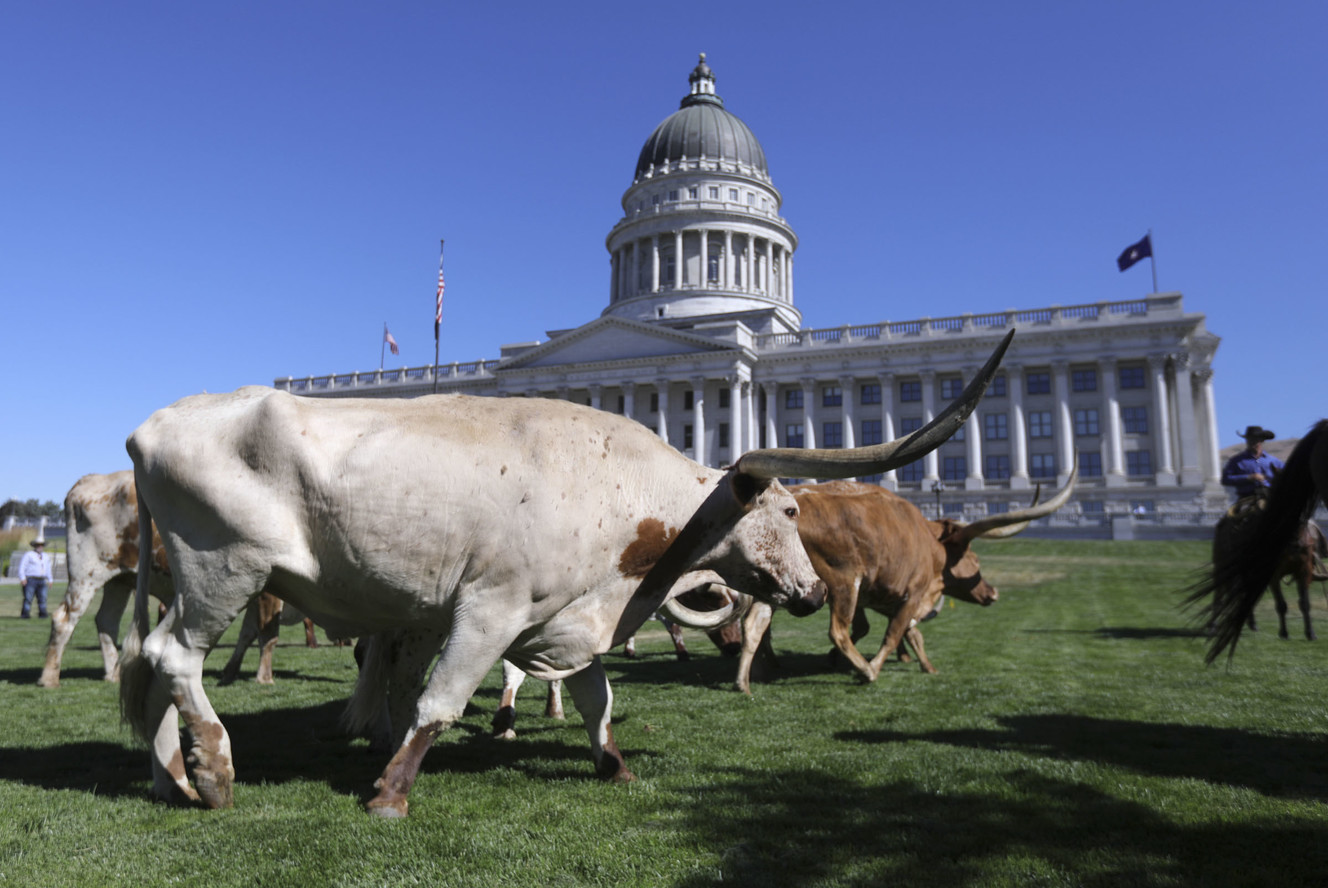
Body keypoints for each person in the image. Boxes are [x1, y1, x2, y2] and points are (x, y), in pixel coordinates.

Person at [1221, 425, 1284, 500]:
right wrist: (1249, 477)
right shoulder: (1236, 461)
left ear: (1262, 440)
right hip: (1247, 497)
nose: (1252, 442)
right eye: (1249, 439)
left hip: (1271, 497)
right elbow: (1226, 479)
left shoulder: (1274, 461)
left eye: (1255, 439)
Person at [17, 536, 54, 619]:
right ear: (34, 546)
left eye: (41, 545)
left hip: (42, 580)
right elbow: (22, 567)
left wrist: (50, 579)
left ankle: (43, 614)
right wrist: (22, 578)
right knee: (28, 598)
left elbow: (48, 568)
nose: (40, 547)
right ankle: (25, 614)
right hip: (31, 579)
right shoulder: (29, 555)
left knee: (43, 598)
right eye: (38, 545)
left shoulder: (45, 556)